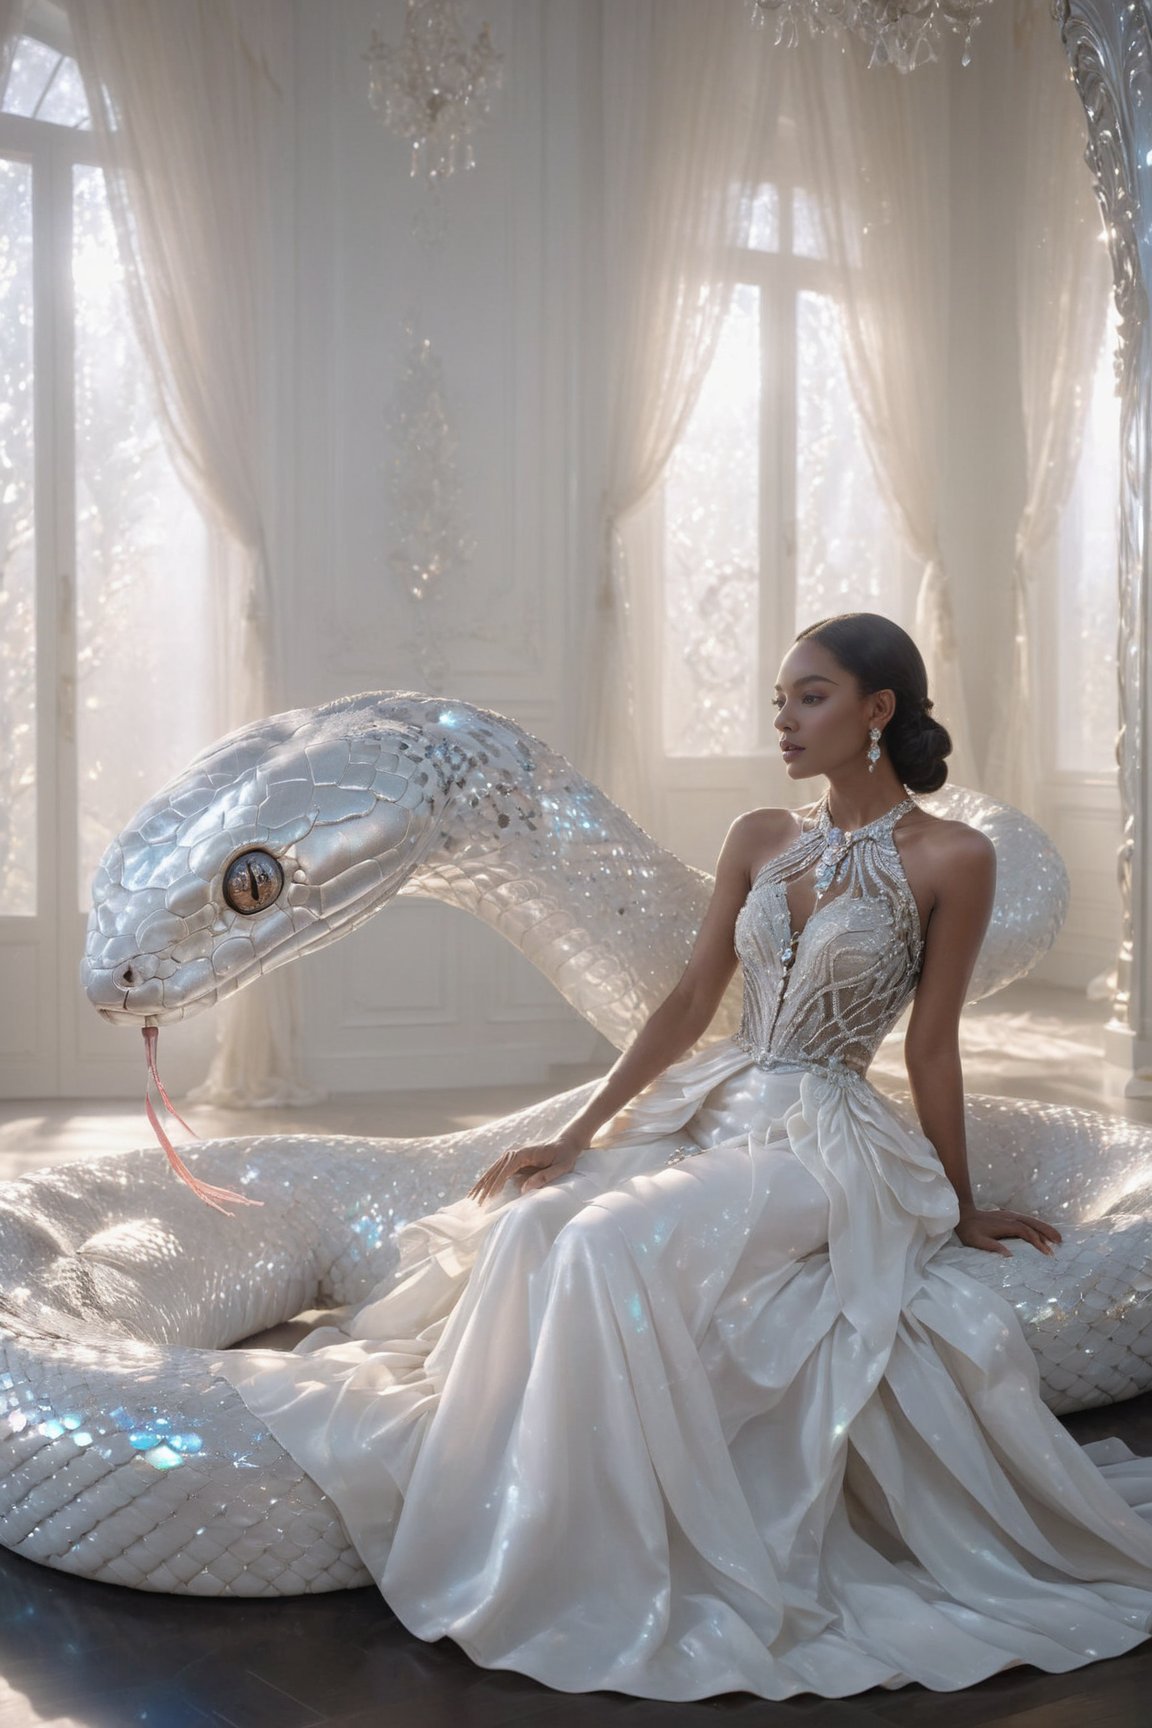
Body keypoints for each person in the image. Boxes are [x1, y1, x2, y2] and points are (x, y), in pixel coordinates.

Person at [217, 612, 1152, 1702]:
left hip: (828, 1136)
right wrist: (579, 1133)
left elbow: (933, 1042)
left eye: (809, 695)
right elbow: (691, 1000)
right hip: (725, 1096)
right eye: (780, 699)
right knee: (531, 1225)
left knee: (608, 1247)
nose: (784, 719)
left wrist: (960, 1202)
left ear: (877, 711)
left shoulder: (957, 857)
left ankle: (594, 1559)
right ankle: (510, 1516)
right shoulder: (761, 835)